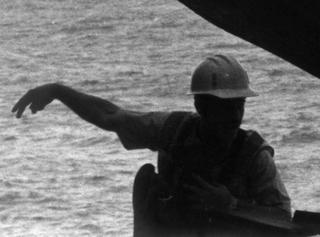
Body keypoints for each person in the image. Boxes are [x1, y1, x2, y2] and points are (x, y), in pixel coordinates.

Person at [12, 53, 292, 234]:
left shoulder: (254, 155)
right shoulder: (172, 131)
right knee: (147, 181)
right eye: (225, 107)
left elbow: (284, 220)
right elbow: (112, 117)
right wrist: (58, 91)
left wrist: (230, 204)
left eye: (239, 105)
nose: (235, 116)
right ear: (201, 106)